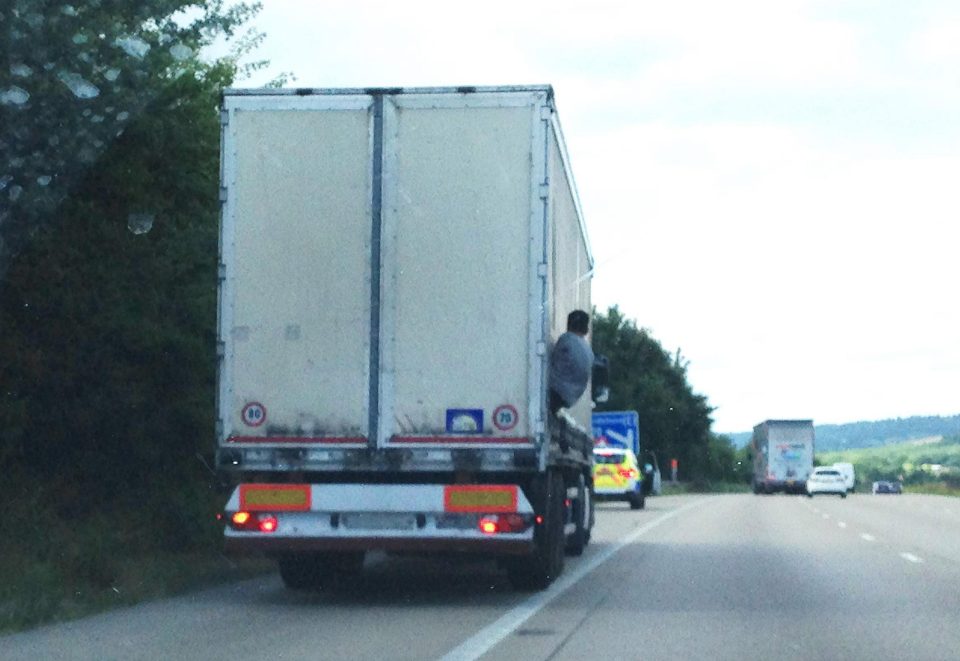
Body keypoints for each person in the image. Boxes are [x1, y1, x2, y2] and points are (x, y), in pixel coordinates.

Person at [548, 310, 594, 415]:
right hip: (571, 398)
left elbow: (553, 358)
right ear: (586, 330)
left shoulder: (566, 339)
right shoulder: (589, 351)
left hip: (556, 391)